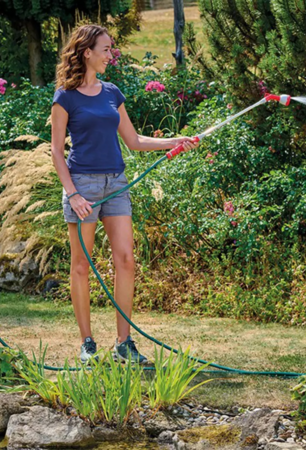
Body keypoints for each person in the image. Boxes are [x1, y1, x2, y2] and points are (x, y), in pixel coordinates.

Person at [50, 24, 198, 364]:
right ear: (86, 52)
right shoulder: (65, 97)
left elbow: (133, 140)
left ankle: (123, 343)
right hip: (83, 186)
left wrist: (175, 141)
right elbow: (57, 151)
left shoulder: (111, 93)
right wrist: (73, 194)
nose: (110, 55)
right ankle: (87, 343)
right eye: (105, 49)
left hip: (116, 183)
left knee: (126, 260)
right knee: (81, 266)